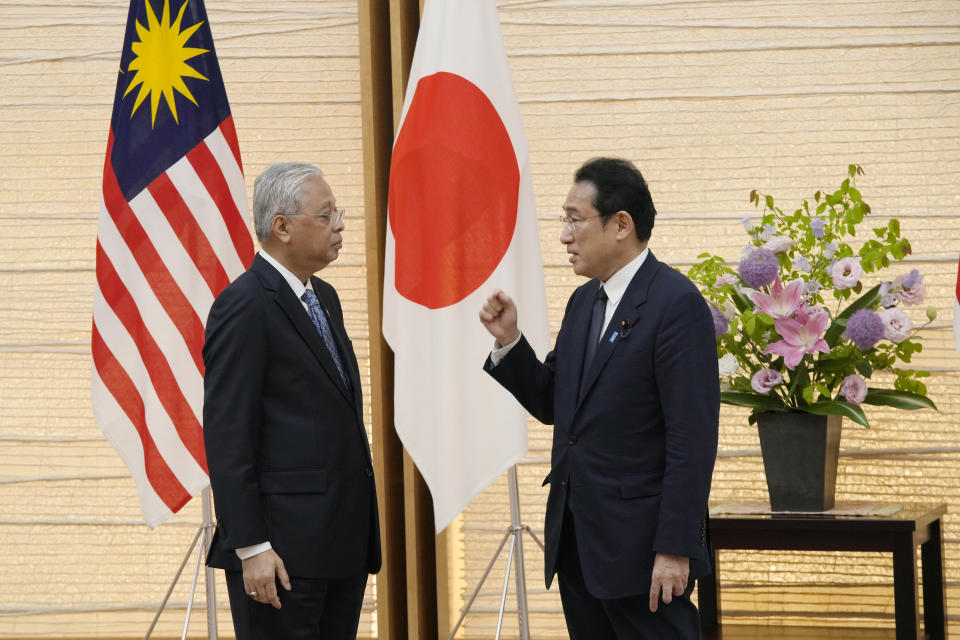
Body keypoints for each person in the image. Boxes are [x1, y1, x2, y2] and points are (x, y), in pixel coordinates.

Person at [479, 157, 719, 639]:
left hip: (644, 552)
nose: (564, 235)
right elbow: (555, 403)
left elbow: (691, 441)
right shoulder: (585, 301)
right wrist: (509, 342)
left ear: (621, 225)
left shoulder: (676, 305)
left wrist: (674, 547)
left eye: (574, 219)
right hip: (580, 543)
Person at [203, 162, 381, 639]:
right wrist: (251, 546)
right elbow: (227, 436)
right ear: (281, 226)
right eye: (326, 215)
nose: (340, 224)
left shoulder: (324, 296)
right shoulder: (244, 305)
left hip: (339, 546)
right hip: (280, 556)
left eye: (337, 212)